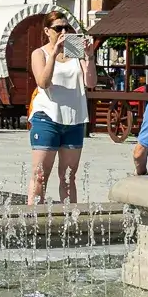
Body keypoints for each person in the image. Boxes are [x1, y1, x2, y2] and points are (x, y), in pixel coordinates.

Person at [28, 12, 95, 203]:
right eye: (58, 28)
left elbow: (90, 83)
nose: (64, 32)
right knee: (40, 175)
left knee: (68, 178)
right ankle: (33, 223)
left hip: (74, 119)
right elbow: (43, 82)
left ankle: (69, 224)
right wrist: (54, 54)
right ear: (47, 31)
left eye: (67, 28)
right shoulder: (40, 53)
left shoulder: (75, 51)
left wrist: (89, 58)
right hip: (47, 117)